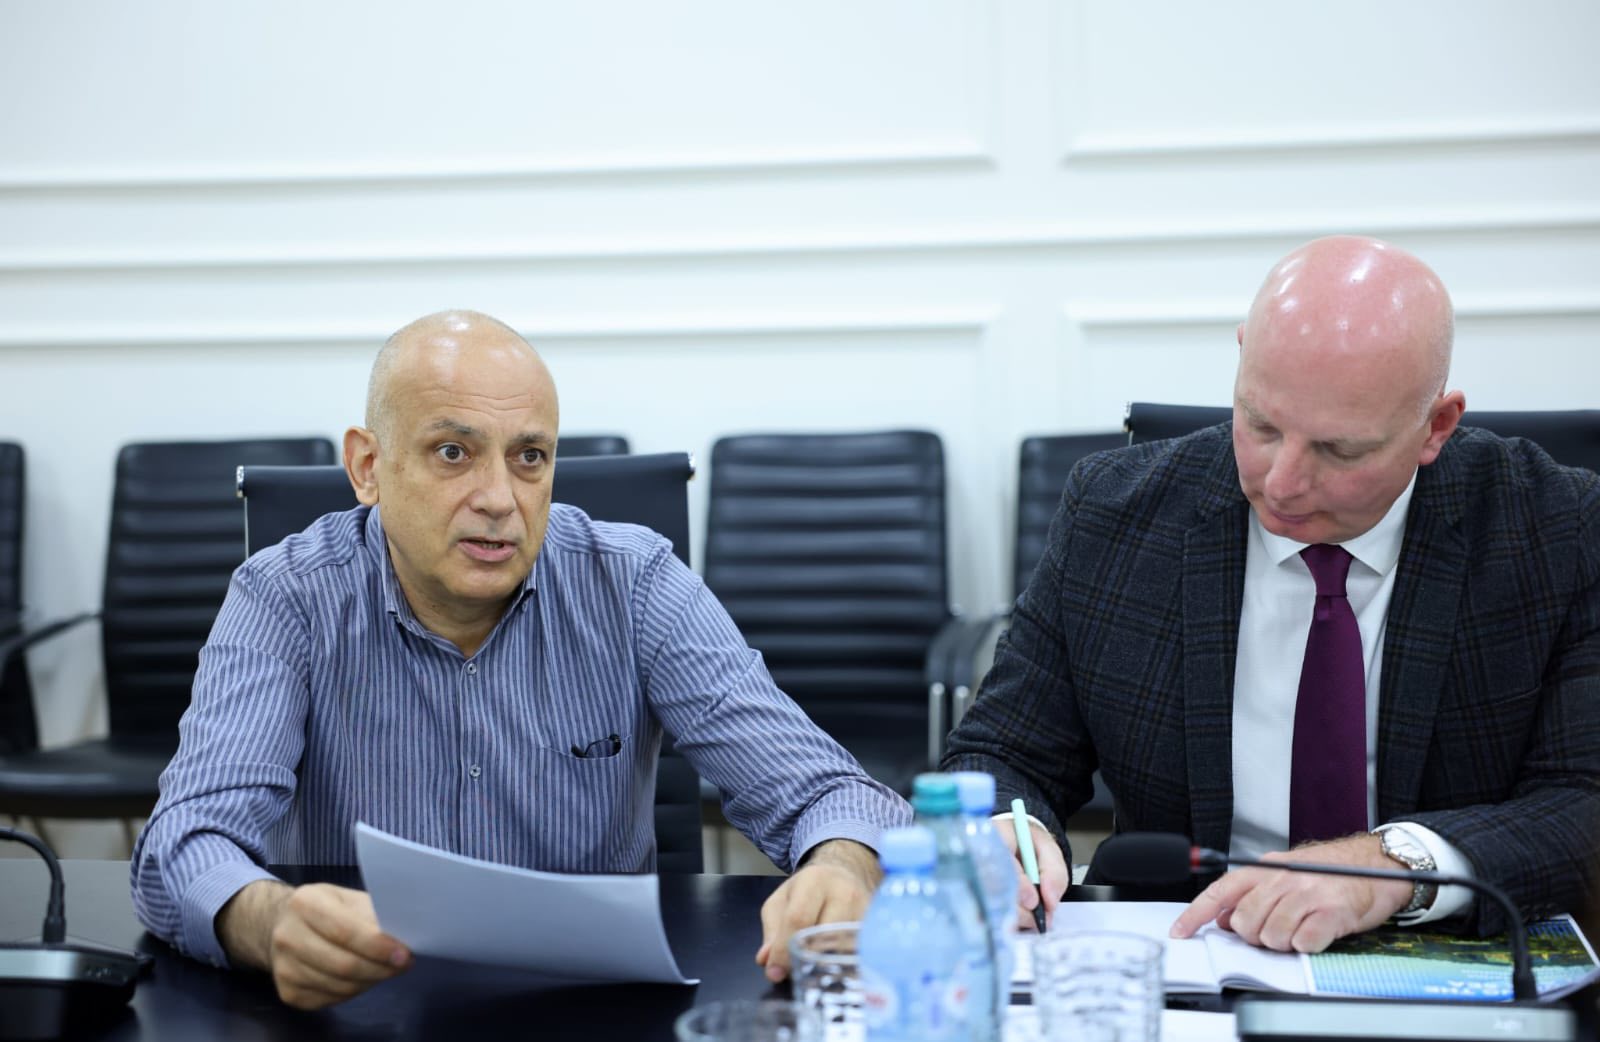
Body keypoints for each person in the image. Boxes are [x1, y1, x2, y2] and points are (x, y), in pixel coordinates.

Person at [131, 310, 911, 1009]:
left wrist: (842, 867)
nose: (500, 498)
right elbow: (185, 843)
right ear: (368, 466)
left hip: (594, 1010)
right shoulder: (286, 596)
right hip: (367, 1002)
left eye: (530, 456)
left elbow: (833, 794)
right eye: (452, 452)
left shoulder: (635, 584)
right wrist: (269, 923)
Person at [944, 235, 1600, 953]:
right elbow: (1003, 752)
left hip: (1441, 951)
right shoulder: (1114, 513)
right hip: (1191, 953)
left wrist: (1390, 867)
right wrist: (1003, 831)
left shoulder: (1555, 530)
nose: (1282, 483)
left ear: (1435, 427)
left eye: (1339, 450)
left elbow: (1583, 802)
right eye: (1259, 424)